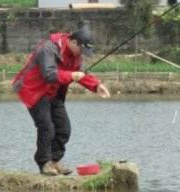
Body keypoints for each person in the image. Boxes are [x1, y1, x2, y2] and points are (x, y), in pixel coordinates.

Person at [12, 26, 110, 176]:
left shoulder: (75, 55)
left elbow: (81, 74)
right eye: (82, 51)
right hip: (34, 91)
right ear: (74, 42)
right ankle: (44, 163)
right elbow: (49, 74)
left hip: (54, 93)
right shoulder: (47, 49)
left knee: (64, 130)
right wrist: (71, 76)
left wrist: (97, 85)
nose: (82, 55)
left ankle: (54, 161)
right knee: (47, 128)